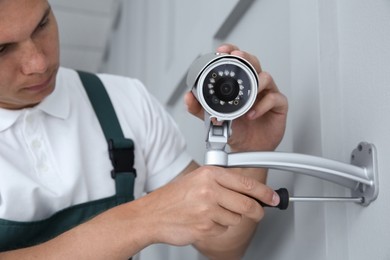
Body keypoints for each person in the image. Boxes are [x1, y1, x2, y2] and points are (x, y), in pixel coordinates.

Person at [0, 0, 288, 259]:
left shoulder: (124, 100)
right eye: (2, 49)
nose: (38, 63)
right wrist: (144, 218)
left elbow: (223, 246)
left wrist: (250, 150)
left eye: (42, 24)